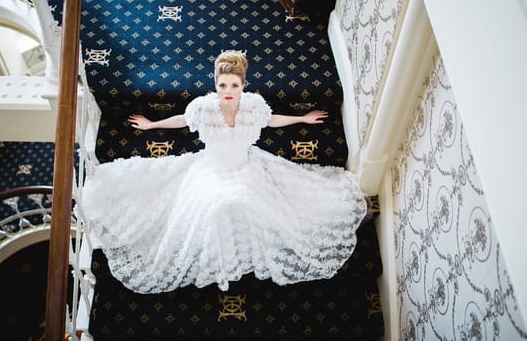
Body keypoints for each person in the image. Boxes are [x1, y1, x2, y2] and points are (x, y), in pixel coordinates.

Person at [81, 50, 366, 294]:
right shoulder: (203, 108)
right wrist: (152, 125)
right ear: (215, 84)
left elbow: (271, 120)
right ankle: (218, 251)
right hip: (209, 170)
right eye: (222, 85)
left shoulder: (253, 106)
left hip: (247, 168)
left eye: (234, 85)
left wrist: (302, 118)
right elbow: (182, 119)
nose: (228, 91)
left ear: (243, 85)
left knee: (243, 202)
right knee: (215, 207)